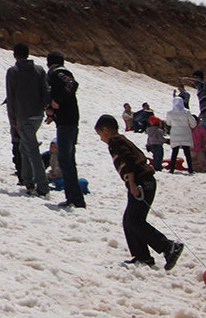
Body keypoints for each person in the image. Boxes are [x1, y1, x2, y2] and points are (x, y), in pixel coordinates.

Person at [94, 114, 184, 270]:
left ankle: (168, 246)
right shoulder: (121, 139)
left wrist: (133, 183)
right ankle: (142, 255)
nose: (101, 138)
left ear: (106, 130)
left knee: (134, 220)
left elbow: (129, 160)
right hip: (144, 181)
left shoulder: (115, 141)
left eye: (100, 134)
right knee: (130, 220)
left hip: (141, 182)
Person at [6, 42, 49, 196]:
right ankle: (27, 180)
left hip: (23, 116)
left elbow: (11, 98)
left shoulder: (13, 72)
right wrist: (48, 111)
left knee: (31, 150)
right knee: (25, 147)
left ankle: (43, 186)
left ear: (15, 55)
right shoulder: (39, 70)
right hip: (37, 115)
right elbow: (45, 92)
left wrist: (12, 120)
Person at [46, 51, 85, 208]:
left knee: (66, 161)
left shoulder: (58, 73)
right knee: (67, 160)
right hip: (68, 120)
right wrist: (53, 113)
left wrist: (56, 101)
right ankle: (74, 198)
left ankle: (75, 199)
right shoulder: (59, 73)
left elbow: (71, 84)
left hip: (67, 122)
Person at [165, 95, 195, 173]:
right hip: (185, 133)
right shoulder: (186, 112)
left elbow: (168, 123)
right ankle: (190, 169)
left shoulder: (170, 113)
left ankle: (172, 169)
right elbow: (193, 123)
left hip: (175, 133)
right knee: (187, 152)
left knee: (174, 152)